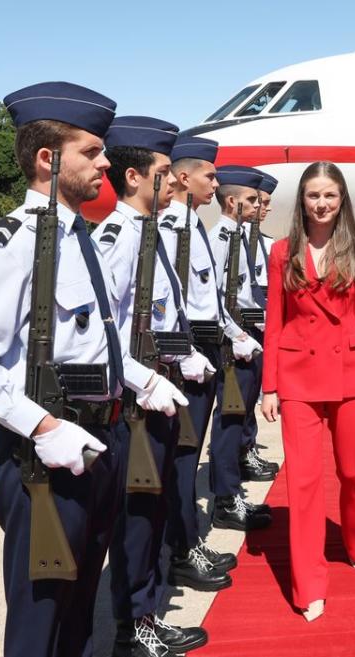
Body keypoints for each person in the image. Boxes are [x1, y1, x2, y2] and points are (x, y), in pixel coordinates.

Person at [0, 82, 182, 657]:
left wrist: (141, 379)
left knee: (81, 615)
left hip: (96, 444)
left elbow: (96, 345)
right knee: (43, 623)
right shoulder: (11, 246)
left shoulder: (80, 238)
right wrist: (42, 428)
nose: (106, 162)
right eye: (91, 151)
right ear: (47, 159)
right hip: (44, 459)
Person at [93, 115, 213, 656]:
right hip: (136, 402)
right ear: (137, 177)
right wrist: (145, 381)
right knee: (137, 520)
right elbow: (106, 331)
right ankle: (134, 625)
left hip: (162, 392)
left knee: (155, 509)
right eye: (166, 172)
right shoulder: (118, 237)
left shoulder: (149, 232)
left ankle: (151, 605)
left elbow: (161, 316)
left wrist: (183, 355)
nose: (175, 182)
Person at [260, 161, 355, 622]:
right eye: (313, 195)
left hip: (352, 375)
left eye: (330, 196)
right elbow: (275, 324)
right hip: (298, 377)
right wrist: (270, 387)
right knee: (301, 484)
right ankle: (309, 585)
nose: (321, 204)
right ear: (301, 200)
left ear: (342, 200)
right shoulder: (282, 252)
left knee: (353, 473)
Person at [158, 135, 251, 593]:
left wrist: (235, 335)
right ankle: (181, 547)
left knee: (187, 454)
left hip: (206, 349)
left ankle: (187, 539)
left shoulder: (192, 225)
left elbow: (209, 298)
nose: (216, 183)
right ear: (183, 177)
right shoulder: (173, 228)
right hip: (185, 354)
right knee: (181, 459)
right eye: (209, 175)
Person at [208, 166, 274, 531]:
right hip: (235, 345)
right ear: (233, 203)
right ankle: (225, 499)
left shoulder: (238, 238)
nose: (257, 205)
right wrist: (238, 336)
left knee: (238, 417)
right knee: (230, 421)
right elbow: (213, 299)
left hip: (247, 338)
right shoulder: (220, 240)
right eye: (251, 199)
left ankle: (231, 492)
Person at [234, 170, 280, 477]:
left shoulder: (263, 241)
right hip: (245, 327)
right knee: (242, 399)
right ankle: (243, 452)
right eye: (259, 202)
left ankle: (248, 448)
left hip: (262, 323)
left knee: (251, 397)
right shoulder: (236, 241)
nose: (265, 208)